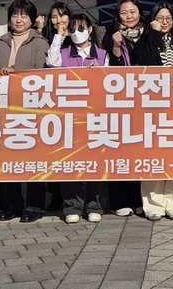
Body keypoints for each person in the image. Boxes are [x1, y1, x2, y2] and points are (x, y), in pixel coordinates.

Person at [0, 0, 52, 223]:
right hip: (4, 106)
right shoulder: (2, 41)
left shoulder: (40, 42)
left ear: (32, 19)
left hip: (31, 107)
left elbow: (41, 72)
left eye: (24, 16)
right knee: (7, 157)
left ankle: (35, 206)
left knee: (33, 158)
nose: (19, 20)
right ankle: (11, 205)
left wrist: (15, 72)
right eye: (15, 15)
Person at [131, 2, 173, 221]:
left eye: (168, 18)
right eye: (160, 18)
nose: (164, 22)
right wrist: (154, 34)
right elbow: (145, 61)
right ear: (152, 20)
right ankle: (153, 203)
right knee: (152, 152)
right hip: (151, 104)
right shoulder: (144, 40)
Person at [46, 13, 106, 223]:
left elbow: (110, 81)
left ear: (90, 29)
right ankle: (72, 205)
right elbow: (51, 62)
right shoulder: (63, 53)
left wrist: (99, 73)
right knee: (69, 161)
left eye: (81, 29)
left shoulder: (101, 54)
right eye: (72, 29)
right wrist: (59, 35)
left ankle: (94, 205)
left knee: (95, 162)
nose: (77, 33)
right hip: (69, 116)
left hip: (94, 115)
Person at [99, 0, 145, 217]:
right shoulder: (110, 35)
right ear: (118, 16)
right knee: (119, 150)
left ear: (139, 13)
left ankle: (139, 199)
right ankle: (119, 200)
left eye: (132, 11)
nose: (129, 16)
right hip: (118, 102)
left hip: (145, 101)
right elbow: (110, 67)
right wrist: (117, 47)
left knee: (141, 150)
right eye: (124, 12)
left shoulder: (148, 33)